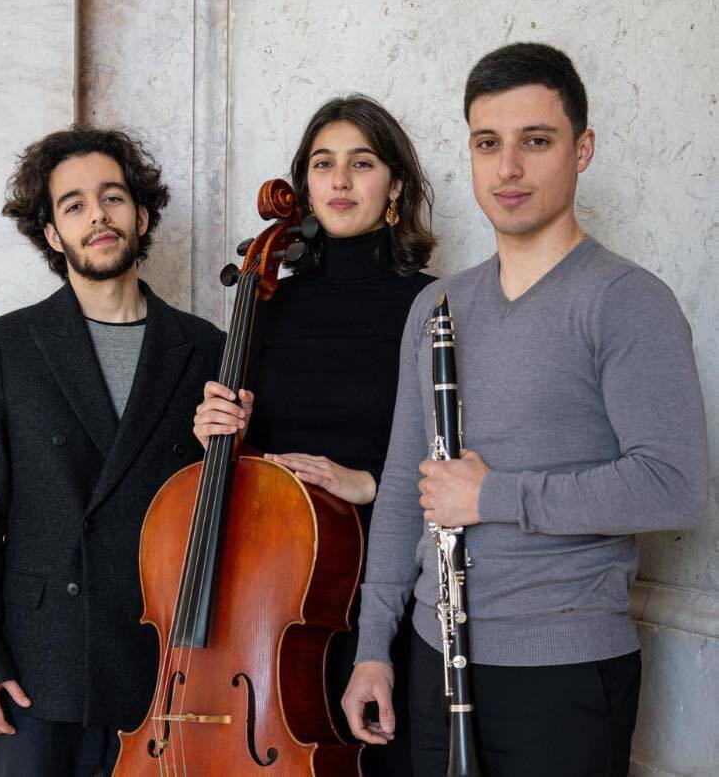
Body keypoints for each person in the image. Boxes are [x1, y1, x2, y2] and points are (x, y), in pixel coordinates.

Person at [342, 43, 708, 776]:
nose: (507, 168)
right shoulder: (436, 306)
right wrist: (373, 647)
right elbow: (406, 488)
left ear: (582, 150)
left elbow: (674, 485)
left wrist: (494, 496)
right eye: (488, 143)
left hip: (562, 672)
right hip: (432, 657)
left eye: (535, 141)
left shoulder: (627, 301)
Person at [0, 127, 224, 776]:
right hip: (39, 666)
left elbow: (223, 520)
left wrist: (228, 448)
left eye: (112, 197)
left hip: (162, 662)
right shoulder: (8, 345)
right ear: (52, 233)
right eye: (74, 205)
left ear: (141, 215)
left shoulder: (205, 347)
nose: (97, 215)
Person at [193, 94, 436, 775]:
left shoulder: (433, 305)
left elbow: (466, 456)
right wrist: (219, 435)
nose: (340, 180)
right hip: (275, 601)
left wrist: (372, 485)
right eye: (323, 164)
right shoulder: (265, 302)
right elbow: (248, 470)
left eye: (362, 163)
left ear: (395, 186)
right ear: (303, 185)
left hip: (390, 584)